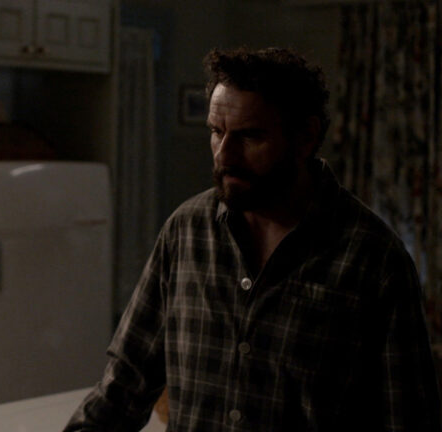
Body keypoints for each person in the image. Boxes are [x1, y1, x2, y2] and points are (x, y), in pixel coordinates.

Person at [64, 47, 442, 431]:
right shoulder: (186, 232)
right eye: (216, 132)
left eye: (250, 136)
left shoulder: (374, 259)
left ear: (306, 137)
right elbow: (122, 388)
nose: (225, 156)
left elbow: (409, 419)